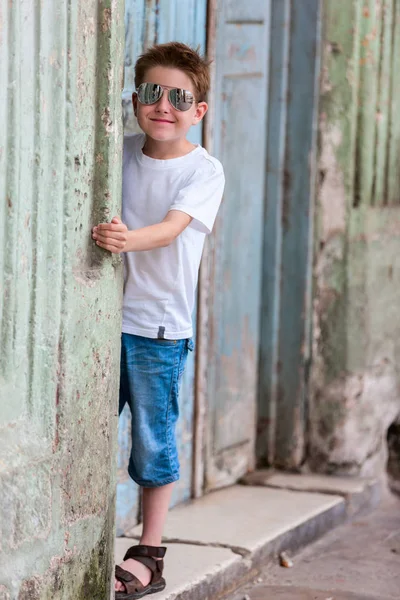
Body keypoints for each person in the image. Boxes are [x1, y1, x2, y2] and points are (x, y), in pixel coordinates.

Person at [92, 42, 225, 599]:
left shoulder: (203, 170)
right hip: (100, 322)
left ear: (198, 110)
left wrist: (125, 240)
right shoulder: (115, 152)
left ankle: (151, 552)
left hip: (159, 329)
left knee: (151, 438)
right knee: (88, 428)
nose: (163, 105)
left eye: (179, 97)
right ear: (134, 99)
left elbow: (172, 228)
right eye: (152, 93)